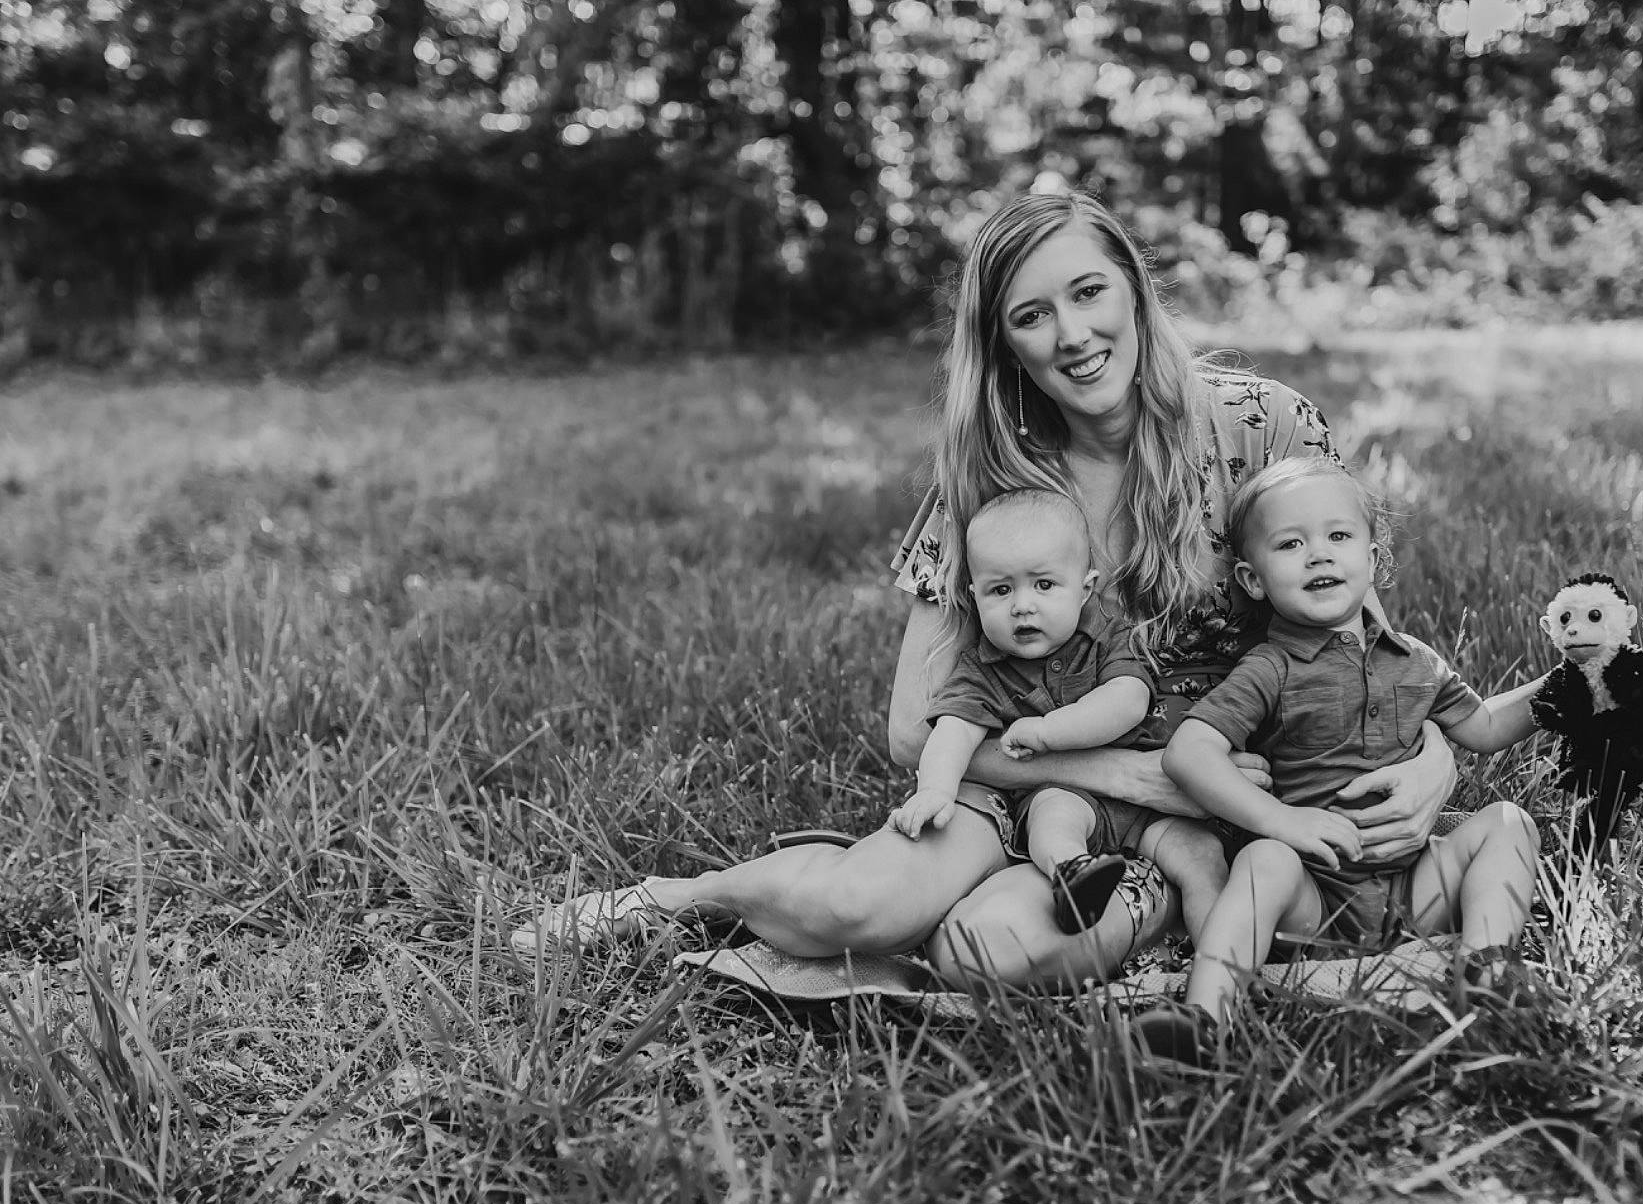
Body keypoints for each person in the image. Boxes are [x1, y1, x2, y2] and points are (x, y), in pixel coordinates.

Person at [511, 189, 1470, 990]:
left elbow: (1363, 648)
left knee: (986, 952)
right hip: (1023, 789)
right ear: (1004, 342)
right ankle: (689, 898)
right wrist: (1116, 771)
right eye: (1033, 314)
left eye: (1091, 292)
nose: (1076, 335)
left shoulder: (1264, 424)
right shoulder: (992, 483)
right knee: (852, 909)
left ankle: (1071, 921)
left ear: (1134, 288)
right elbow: (911, 726)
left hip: (1221, 818)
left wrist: (1437, 760)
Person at [1137, 458, 1543, 1061]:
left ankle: (1486, 971)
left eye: (1338, 536)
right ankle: (1204, 1020)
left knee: (1510, 823)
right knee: (1264, 859)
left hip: (1414, 889)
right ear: (1253, 580)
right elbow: (1189, 754)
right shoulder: (1269, 669)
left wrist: (1575, 682)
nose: (1319, 555)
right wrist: (1282, 823)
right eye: (1291, 543)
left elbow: (1483, 727)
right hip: (1316, 899)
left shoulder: (1415, 661)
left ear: (1374, 561)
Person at [890, 486, 1199, 935]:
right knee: (1052, 819)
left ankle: (1224, 957)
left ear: (1085, 589)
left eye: (1044, 585)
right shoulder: (983, 669)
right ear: (974, 598)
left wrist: (1047, 732)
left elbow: (1127, 701)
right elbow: (954, 730)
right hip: (1068, 797)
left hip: (1155, 807)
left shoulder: (1107, 638)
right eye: (1000, 590)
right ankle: (1075, 877)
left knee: (1202, 861)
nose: (1022, 605)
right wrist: (936, 789)